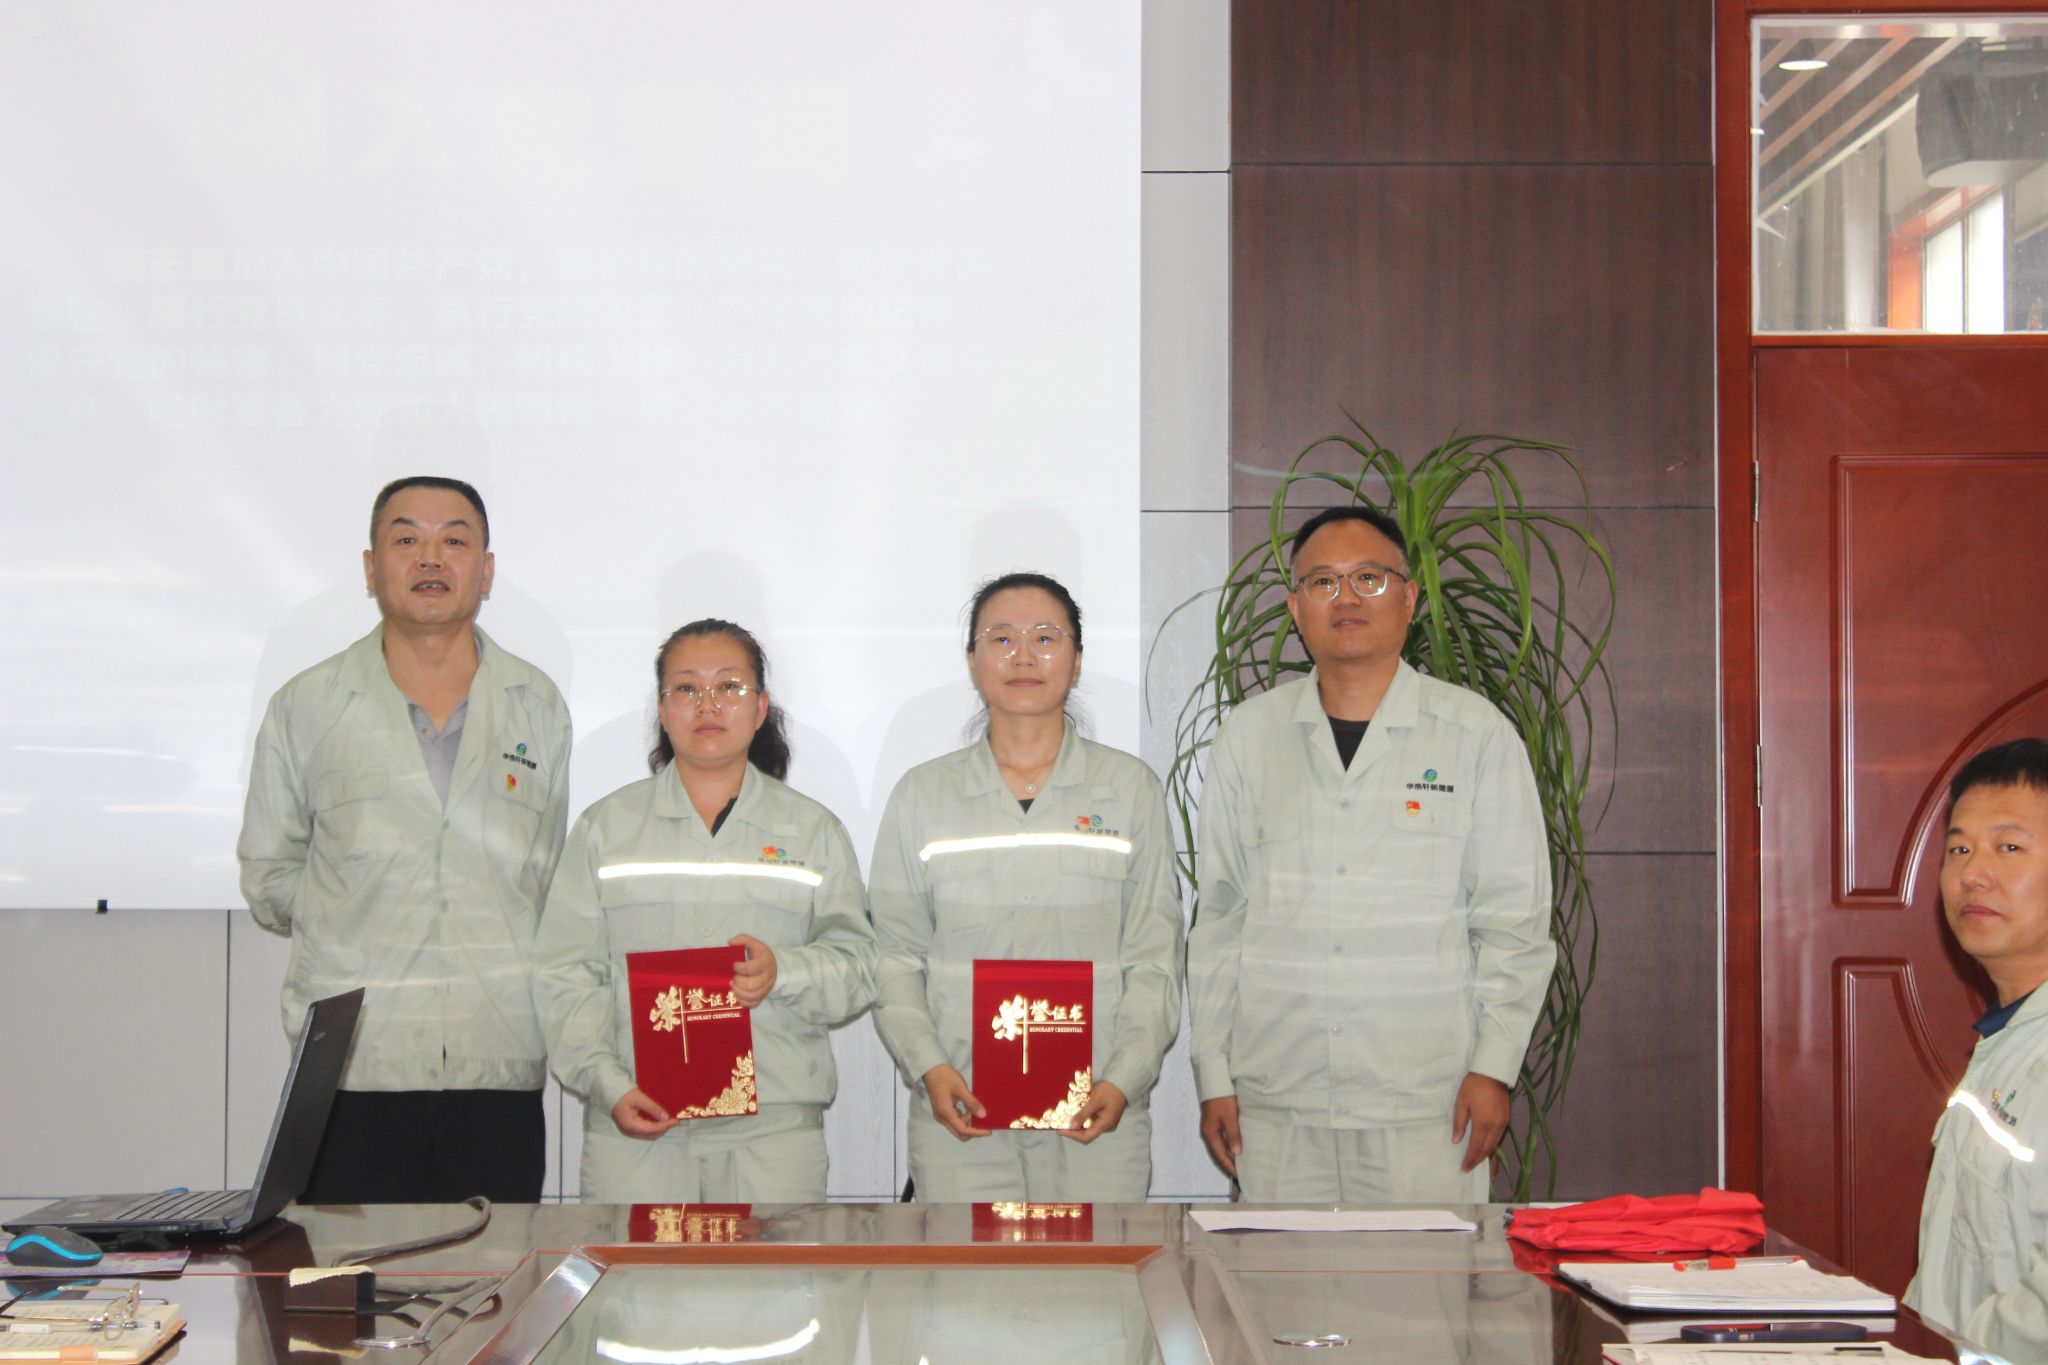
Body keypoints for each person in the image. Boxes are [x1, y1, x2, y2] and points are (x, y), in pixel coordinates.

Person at [1186, 505, 1554, 1202]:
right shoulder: (1249, 738)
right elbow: (1221, 919)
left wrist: (1494, 1067)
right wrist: (1213, 1073)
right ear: (1296, 608)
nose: (1346, 597)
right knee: (1277, 1278)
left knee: (1426, 1278)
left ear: (1409, 597)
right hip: (1277, 1102)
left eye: (1369, 578)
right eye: (1323, 582)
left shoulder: (1474, 735)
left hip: (1428, 1103)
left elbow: (1514, 922)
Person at [239, 476, 571, 1203]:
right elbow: (269, 876)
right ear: (371, 567)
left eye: (454, 540)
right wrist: (350, 915)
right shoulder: (308, 705)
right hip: (353, 1069)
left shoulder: (536, 703)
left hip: (496, 1061)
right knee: (348, 1277)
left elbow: (545, 876)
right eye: (407, 538)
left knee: (497, 1273)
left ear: (486, 570)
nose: (431, 557)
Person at [534, 620, 875, 1201]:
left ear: (761, 708)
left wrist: (783, 972)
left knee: (775, 1266)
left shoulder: (812, 830)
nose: (708, 705)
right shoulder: (605, 830)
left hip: (772, 1131)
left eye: (730, 687)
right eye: (687, 688)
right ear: (662, 710)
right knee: (631, 1267)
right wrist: (607, 1083)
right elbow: (566, 974)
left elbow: (860, 966)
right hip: (636, 1124)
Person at [869, 572, 1183, 1201]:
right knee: (964, 1268)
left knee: (1098, 1268)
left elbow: (1155, 957)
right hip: (963, 1113)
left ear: (1077, 658)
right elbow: (894, 957)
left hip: (1095, 1116)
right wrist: (929, 1067)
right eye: (1001, 638)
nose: (1023, 657)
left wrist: (1124, 1078)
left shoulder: (1130, 791)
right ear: (972, 659)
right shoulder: (922, 796)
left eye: (1045, 638)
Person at [1906, 738, 2048, 1359]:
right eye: (1959, 849)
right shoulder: (2008, 1038)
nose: (1972, 874)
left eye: (2009, 848)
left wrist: (1952, 1352)